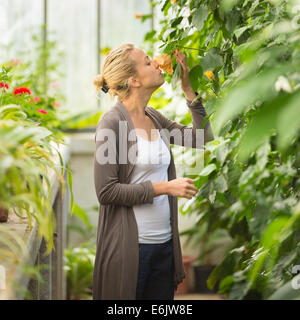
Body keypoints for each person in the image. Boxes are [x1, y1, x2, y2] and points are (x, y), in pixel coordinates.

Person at [92, 43, 214, 300]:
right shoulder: (111, 122)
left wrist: (188, 90)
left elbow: (202, 137)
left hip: (165, 247)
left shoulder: (154, 118)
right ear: (134, 80)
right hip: (131, 251)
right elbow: (106, 191)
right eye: (147, 62)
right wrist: (165, 187)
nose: (156, 64)